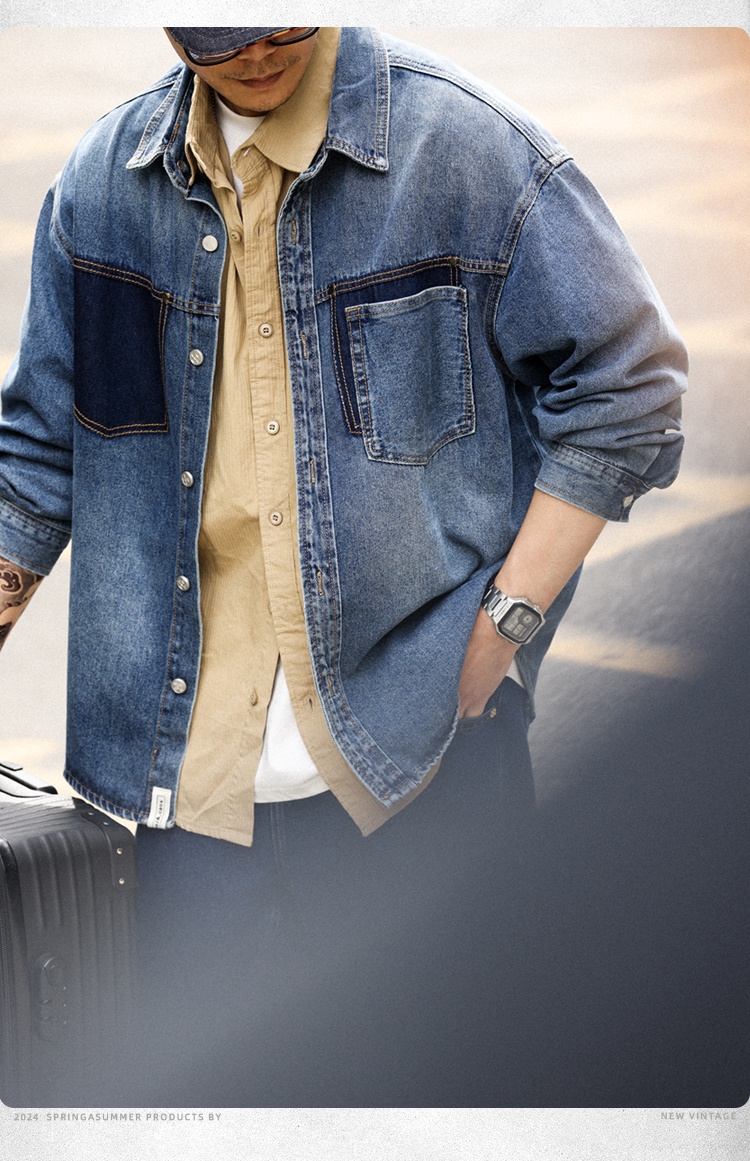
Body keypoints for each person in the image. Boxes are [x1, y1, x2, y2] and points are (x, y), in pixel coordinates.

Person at [0, 27, 686, 1106]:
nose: (260, 47)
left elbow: (629, 381)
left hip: (422, 768)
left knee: (447, 1112)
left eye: (284, 16)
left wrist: (502, 630)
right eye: (221, 30)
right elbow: (39, 454)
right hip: (188, 809)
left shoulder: (464, 151)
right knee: (207, 1117)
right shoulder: (102, 188)